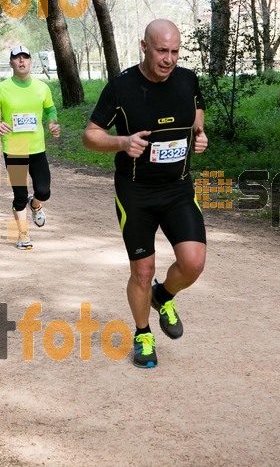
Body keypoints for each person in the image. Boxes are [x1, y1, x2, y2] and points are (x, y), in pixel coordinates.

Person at [82, 19, 209, 368]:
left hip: (178, 189)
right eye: (161, 51)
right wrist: (122, 142)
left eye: (174, 51)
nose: (168, 59)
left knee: (193, 263)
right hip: (136, 192)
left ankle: (163, 295)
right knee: (142, 269)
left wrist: (199, 132)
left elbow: (197, 108)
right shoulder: (121, 88)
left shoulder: (186, 80)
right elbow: (90, 135)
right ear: (144, 46)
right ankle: (143, 335)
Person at [0, 45, 61, 250]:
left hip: (37, 148)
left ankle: (35, 204)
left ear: (30, 62)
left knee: (43, 191)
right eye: (16, 58)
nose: (21, 61)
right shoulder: (1, 88)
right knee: (19, 195)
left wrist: (52, 122)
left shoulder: (42, 87)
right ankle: (23, 234)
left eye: (25, 57)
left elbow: (50, 109)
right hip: (14, 148)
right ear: (11, 63)